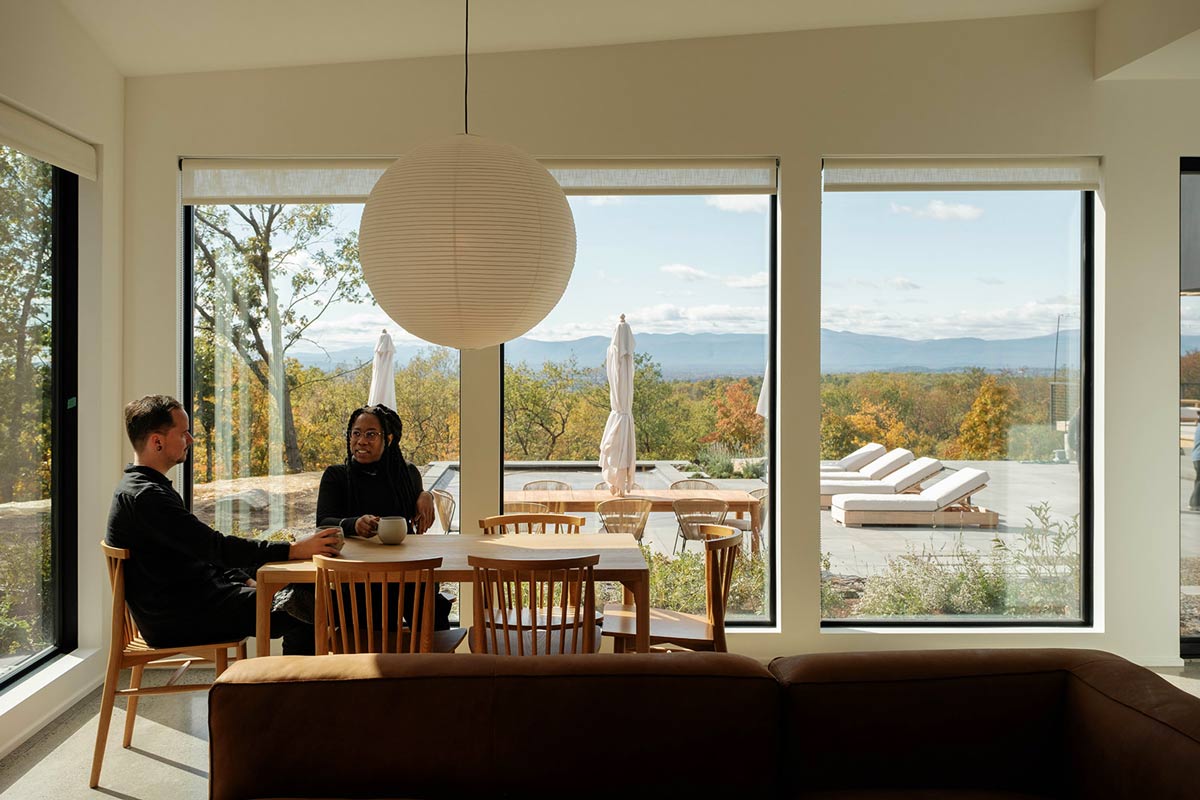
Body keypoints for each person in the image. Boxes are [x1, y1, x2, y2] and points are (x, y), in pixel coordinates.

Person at [106, 395, 341, 655]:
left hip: (191, 603)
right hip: (183, 618)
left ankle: (296, 686)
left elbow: (199, 552)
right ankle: (295, 688)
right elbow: (214, 547)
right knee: (314, 600)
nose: (191, 440)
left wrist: (245, 577)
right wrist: (293, 549)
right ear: (157, 442)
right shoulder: (147, 498)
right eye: (184, 433)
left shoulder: (143, 489)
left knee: (298, 591)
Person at [315, 404, 451, 628]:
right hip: (357, 579)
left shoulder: (406, 475)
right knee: (377, 625)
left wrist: (424, 494)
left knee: (429, 614)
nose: (361, 441)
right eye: (355, 433)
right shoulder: (336, 476)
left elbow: (415, 502)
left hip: (406, 575)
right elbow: (323, 521)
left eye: (371, 435)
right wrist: (353, 525)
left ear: (388, 439)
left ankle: (428, 660)